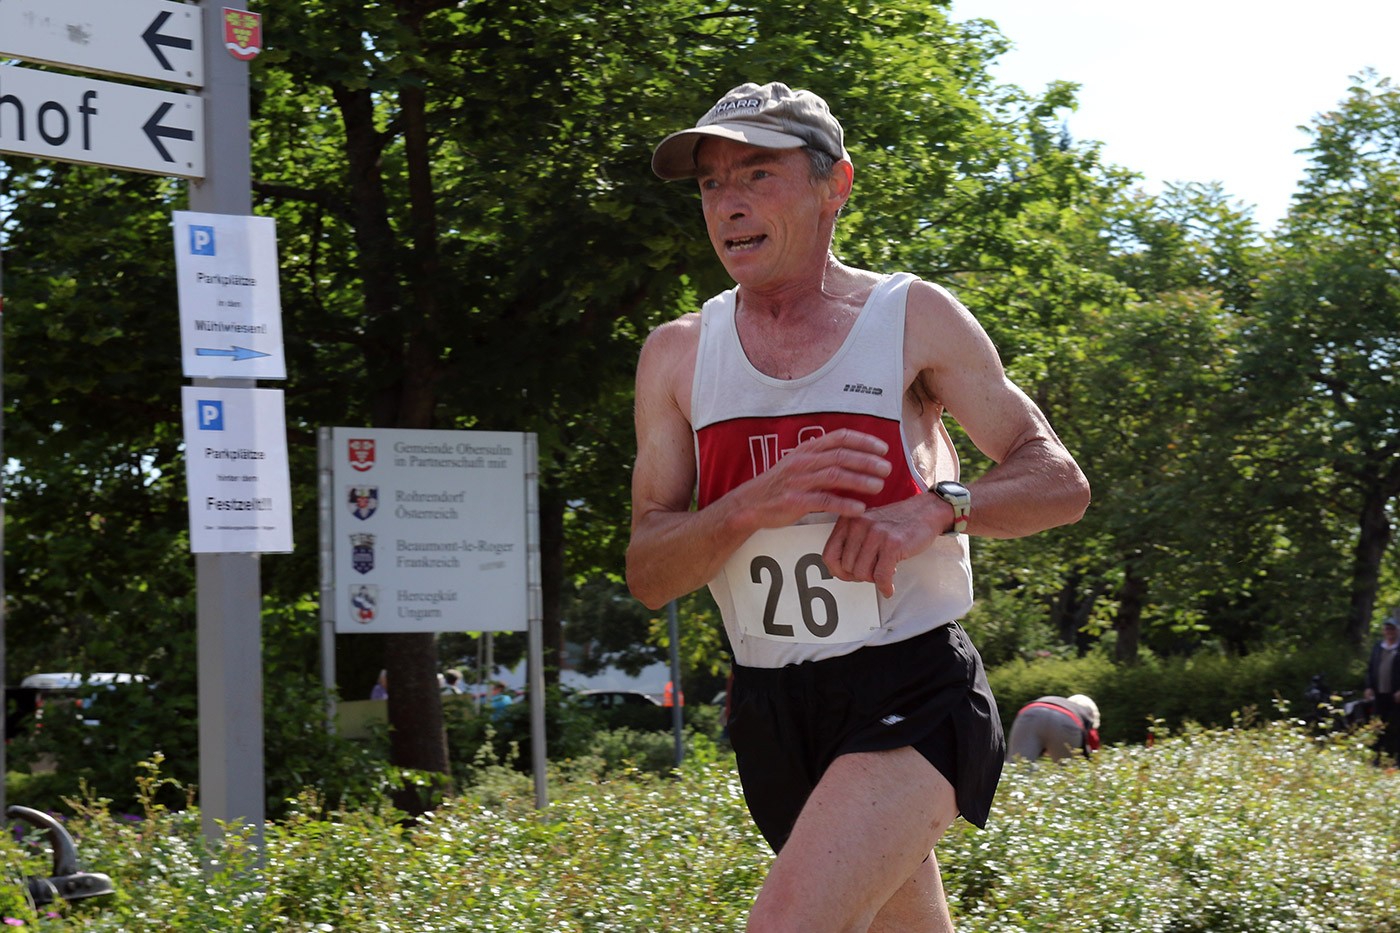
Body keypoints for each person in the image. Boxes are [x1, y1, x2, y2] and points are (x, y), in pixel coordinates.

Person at [627, 82, 1090, 931]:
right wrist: (746, 507)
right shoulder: (677, 354)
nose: (728, 204)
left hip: (910, 682)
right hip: (768, 705)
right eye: (711, 183)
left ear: (834, 185)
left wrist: (936, 509)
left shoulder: (910, 317)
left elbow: (1059, 480)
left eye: (757, 175)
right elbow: (650, 573)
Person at [1005, 694, 1101, 763]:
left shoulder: (1061, 702)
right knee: (1068, 773)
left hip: (1030, 712)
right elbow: (1093, 747)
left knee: (1017, 766)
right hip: (1067, 720)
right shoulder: (1086, 716)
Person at [1364, 614, 1400, 763]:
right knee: (1378, 725)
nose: (1389, 632)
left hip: (1396, 695)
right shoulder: (1378, 647)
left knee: (1396, 727)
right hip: (1379, 694)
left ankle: (1397, 760)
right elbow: (1370, 668)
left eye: (1392, 629)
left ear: (1397, 631)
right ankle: (1376, 758)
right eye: (1387, 629)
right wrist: (1368, 687)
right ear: (1383, 631)